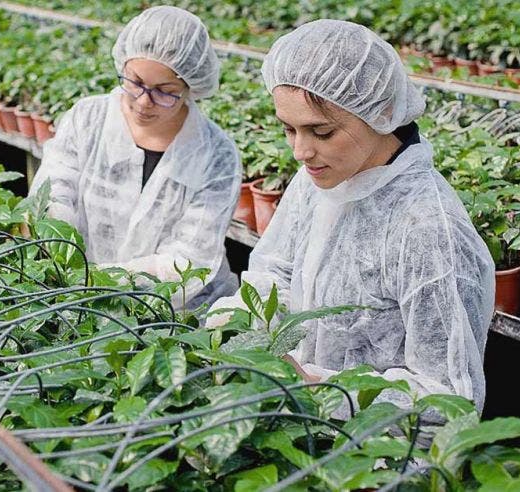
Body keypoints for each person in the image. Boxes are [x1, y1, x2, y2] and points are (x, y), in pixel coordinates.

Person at [207, 19, 495, 412]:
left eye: (321, 132)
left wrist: (327, 389)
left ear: (381, 113)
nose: (300, 151)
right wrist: (237, 323)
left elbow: (447, 399)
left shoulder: (427, 229)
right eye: (288, 129)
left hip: (379, 458)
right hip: (304, 420)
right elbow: (277, 273)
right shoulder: (320, 178)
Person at [27, 6, 242, 309]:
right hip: (80, 299)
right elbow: (53, 196)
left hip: (182, 309)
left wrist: (99, 281)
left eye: (164, 92)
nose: (143, 102)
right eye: (135, 82)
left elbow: (187, 264)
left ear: (190, 89)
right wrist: (66, 263)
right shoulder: (88, 119)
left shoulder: (216, 154)